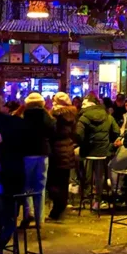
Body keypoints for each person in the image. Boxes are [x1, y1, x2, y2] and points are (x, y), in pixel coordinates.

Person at [0, 95, 25, 249]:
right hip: (14, 174)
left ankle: (0, 224)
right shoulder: (16, 123)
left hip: (6, 174)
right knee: (4, 198)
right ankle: (5, 225)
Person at [76, 94, 121, 206]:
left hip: (88, 151)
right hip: (104, 151)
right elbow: (116, 132)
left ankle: (83, 190)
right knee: (100, 172)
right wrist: (108, 143)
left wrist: (83, 144)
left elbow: (78, 135)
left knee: (76, 159)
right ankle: (99, 197)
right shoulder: (108, 116)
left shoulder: (83, 117)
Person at [20, 92, 56, 225]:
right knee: (40, 187)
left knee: (26, 185)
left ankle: (28, 214)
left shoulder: (23, 116)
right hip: (42, 152)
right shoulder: (47, 116)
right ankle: (40, 219)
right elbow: (53, 131)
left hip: (27, 153)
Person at [48, 92, 78, 221]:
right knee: (63, 181)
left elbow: (51, 132)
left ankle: (56, 210)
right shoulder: (72, 114)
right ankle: (61, 207)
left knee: (52, 181)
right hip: (68, 148)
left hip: (56, 151)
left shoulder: (55, 116)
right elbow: (75, 133)